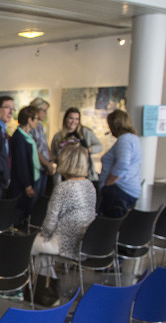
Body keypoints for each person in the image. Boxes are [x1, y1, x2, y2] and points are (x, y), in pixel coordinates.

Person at [32, 144, 96, 276]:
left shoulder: (63, 188)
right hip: (85, 242)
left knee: (29, 244)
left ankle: (42, 288)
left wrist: (42, 234)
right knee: (41, 249)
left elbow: (49, 224)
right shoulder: (90, 186)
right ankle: (46, 287)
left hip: (64, 244)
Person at [99, 109, 142, 218]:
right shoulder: (134, 139)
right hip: (129, 188)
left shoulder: (124, 140)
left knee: (110, 226)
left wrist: (108, 182)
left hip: (119, 190)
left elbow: (123, 164)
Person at [8, 105, 42, 225]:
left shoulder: (27, 136)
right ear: (29, 119)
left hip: (32, 179)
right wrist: (27, 185)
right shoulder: (19, 138)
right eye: (36, 118)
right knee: (19, 213)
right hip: (22, 185)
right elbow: (21, 163)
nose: (38, 121)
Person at [50, 107, 103, 181]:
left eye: (77, 119)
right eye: (71, 118)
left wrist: (87, 150)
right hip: (64, 174)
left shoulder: (86, 132)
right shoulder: (58, 136)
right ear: (65, 119)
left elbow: (99, 147)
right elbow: (53, 154)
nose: (73, 121)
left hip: (84, 173)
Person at [28, 97, 56, 196]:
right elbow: (34, 150)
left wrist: (50, 162)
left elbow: (44, 145)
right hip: (37, 169)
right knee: (34, 199)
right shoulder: (31, 128)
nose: (46, 114)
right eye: (44, 110)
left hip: (44, 168)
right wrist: (47, 165)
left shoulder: (39, 126)